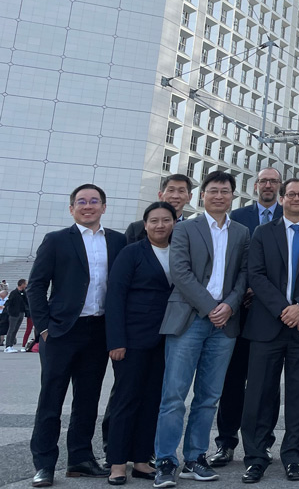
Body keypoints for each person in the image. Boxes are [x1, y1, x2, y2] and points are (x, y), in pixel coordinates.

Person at [153, 170, 250, 488]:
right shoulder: (184, 228)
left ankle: (195, 457)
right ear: (202, 195)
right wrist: (211, 308)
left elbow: (244, 275)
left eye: (225, 191)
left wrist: (229, 306)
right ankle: (166, 460)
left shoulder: (242, 232)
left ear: (233, 196)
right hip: (189, 319)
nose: (219, 196)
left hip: (225, 324)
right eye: (213, 190)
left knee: (209, 397)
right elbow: (180, 272)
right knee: (174, 395)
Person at [28, 183, 127, 487]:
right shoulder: (56, 240)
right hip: (61, 331)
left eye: (94, 201)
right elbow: (36, 286)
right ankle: (44, 464)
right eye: (81, 201)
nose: (88, 206)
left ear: (104, 207)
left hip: (98, 331)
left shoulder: (118, 241)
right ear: (72, 208)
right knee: (51, 399)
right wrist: (44, 328)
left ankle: (80, 459)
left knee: (87, 399)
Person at [240, 178, 299, 483]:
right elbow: (255, 274)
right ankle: (256, 457)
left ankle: (294, 456)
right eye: (290, 194)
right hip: (267, 325)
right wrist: (285, 309)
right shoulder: (262, 232)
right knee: (259, 395)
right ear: (281, 199)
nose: (296, 198)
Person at [209, 167, 283, 467]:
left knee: (267, 384)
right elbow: (230, 261)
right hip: (238, 312)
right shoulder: (237, 218)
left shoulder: (290, 216)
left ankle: (263, 442)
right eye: (263, 181)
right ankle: (226, 442)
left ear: (280, 186)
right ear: (255, 186)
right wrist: (243, 290)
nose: (268, 185)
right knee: (232, 380)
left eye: (273, 181)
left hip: (272, 313)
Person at [104, 202, 177, 484]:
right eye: (154, 220)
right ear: (145, 225)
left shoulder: (179, 251)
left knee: (152, 401)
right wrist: (116, 340)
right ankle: (117, 463)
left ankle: (141, 460)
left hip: (165, 338)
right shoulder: (131, 252)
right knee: (126, 400)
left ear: (174, 223)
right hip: (132, 339)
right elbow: (115, 296)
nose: (160, 225)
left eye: (166, 220)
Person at [124, 175, 193, 244]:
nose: (175, 196)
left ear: (189, 197)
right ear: (160, 195)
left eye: (181, 191)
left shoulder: (193, 230)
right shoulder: (136, 229)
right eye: (171, 190)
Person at [4, 279, 27, 352]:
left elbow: (26, 302)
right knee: (11, 329)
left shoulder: (24, 293)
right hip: (14, 314)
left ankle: (11, 345)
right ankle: (8, 346)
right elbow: (9, 302)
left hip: (21, 312)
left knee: (15, 330)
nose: (26, 285)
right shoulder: (14, 293)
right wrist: (9, 311)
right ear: (22, 284)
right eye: (25, 284)